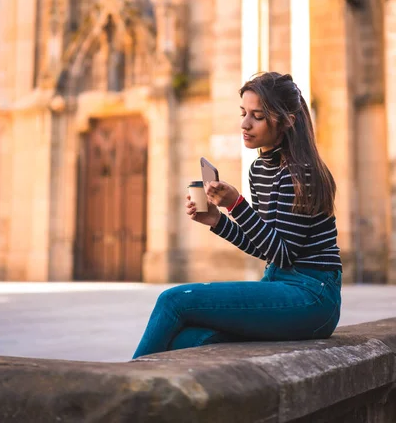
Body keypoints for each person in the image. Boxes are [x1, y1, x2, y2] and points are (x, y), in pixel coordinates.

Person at [132, 72, 342, 359]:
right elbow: (264, 246)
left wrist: (236, 204)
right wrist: (218, 222)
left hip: (312, 296)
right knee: (189, 339)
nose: (245, 124)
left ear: (287, 120)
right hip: (278, 283)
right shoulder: (259, 170)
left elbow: (282, 253)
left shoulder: (301, 173)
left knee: (173, 300)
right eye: (244, 113)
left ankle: (128, 386)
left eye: (257, 116)